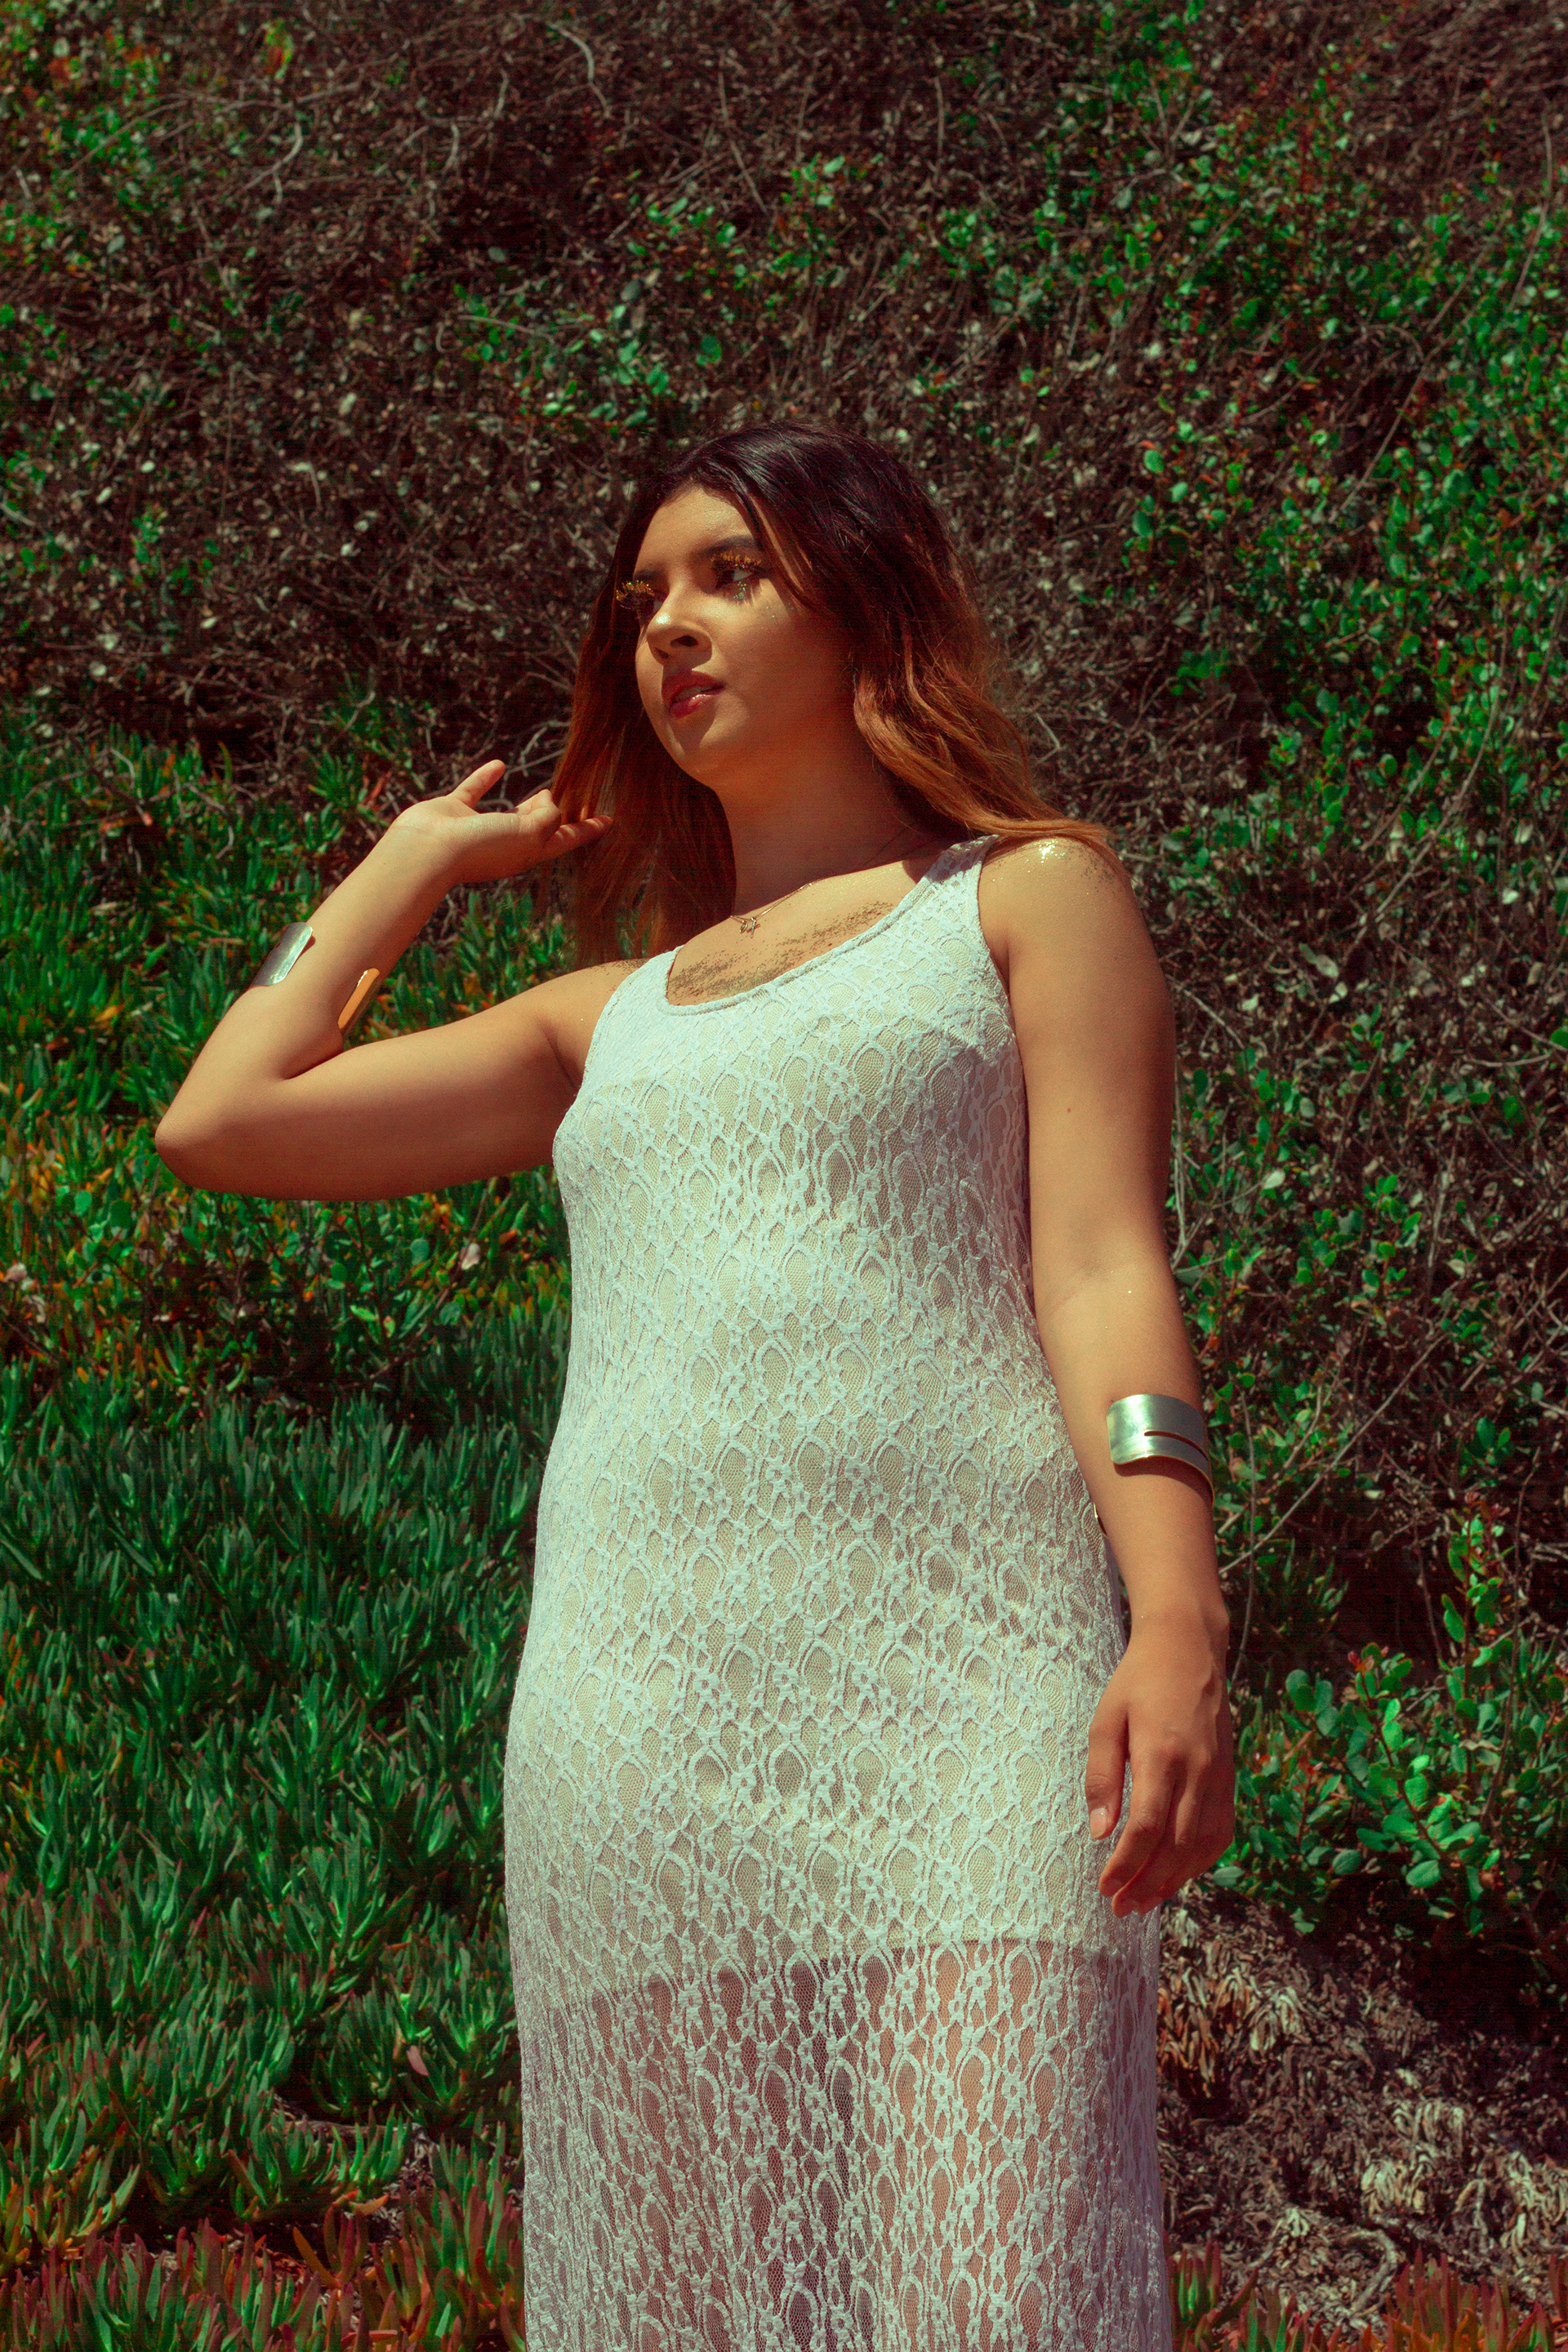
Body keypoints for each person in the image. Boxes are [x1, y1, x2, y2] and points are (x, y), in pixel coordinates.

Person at [154, 420, 1235, 2350]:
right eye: (643, 594)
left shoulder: (1023, 897)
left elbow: (1101, 1268)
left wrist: (1179, 1614)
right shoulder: (607, 1022)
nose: (670, 624)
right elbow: (221, 1120)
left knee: (995, 2292)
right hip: (639, 1733)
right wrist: (409, 865)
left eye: (731, 574)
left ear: (864, 602)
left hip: (972, 1697)